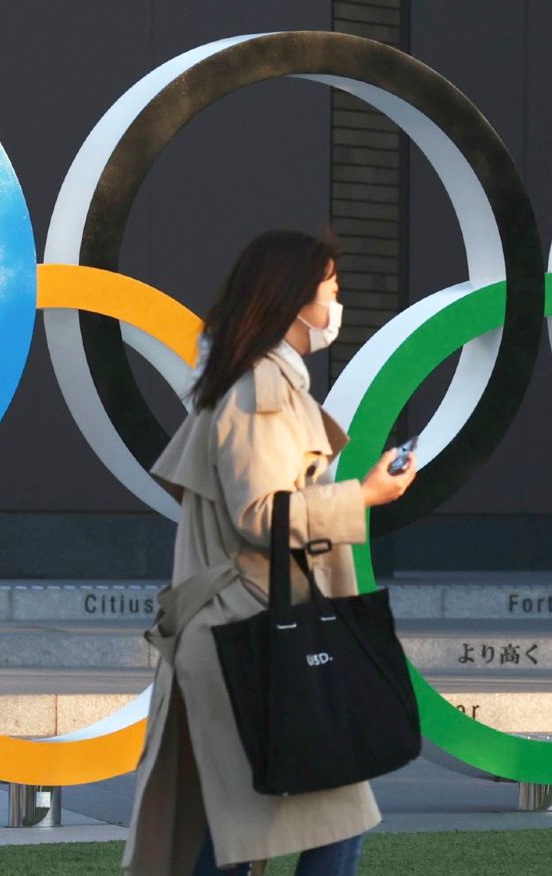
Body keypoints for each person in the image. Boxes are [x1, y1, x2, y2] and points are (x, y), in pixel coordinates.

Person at [121, 230, 417, 876]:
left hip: (239, 631)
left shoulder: (249, 377)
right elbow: (261, 514)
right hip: (256, 634)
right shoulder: (265, 387)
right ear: (295, 296)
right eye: (331, 284)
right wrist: (364, 495)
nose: (339, 297)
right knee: (333, 816)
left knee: (228, 829)